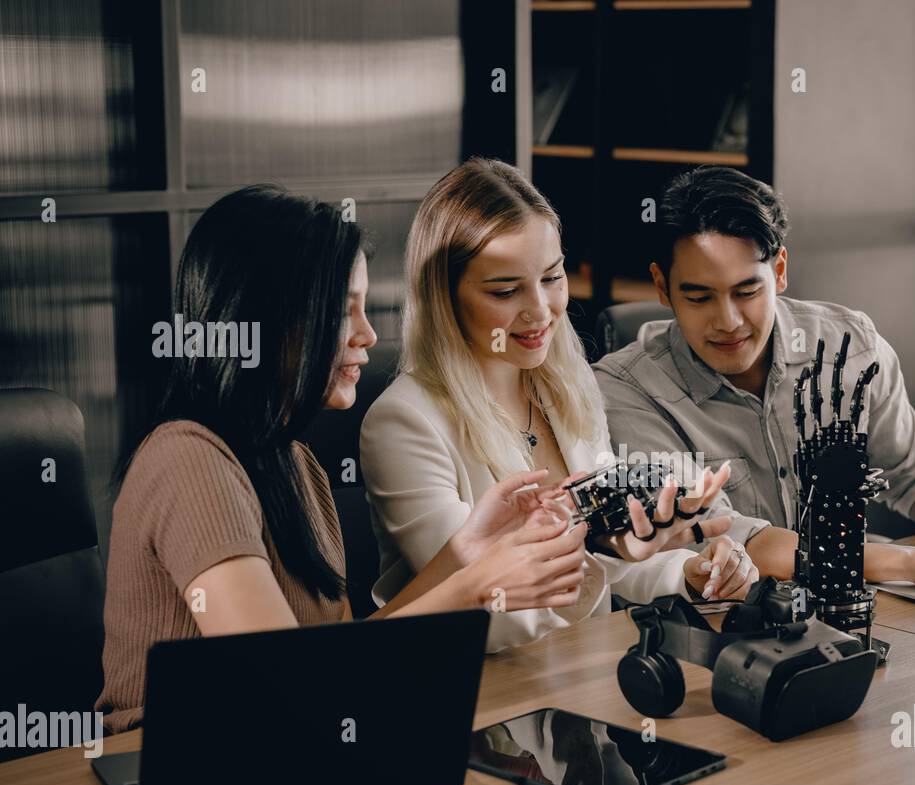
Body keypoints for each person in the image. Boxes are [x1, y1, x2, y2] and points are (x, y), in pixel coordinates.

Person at [97, 185, 586, 733]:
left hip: (286, 753)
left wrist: (462, 552)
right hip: (178, 761)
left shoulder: (296, 465)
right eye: (340, 311)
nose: (367, 335)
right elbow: (290, 682)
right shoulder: (189, 459)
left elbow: (345, 659)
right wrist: (470, 589)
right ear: (264, 318)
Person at [361, 159, 758, 652]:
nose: (540, 309)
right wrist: (598, 547)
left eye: (551, 278)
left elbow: (613, 553)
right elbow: (495, 608)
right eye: (505, 291)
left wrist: (690, 571)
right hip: (485, 699)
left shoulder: (566, 384)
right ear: (444, 296)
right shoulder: (403, 422)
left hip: (578, 679)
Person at [593, 166, 915, 588]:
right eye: (700, 297)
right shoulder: (626, 390)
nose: (728, 321)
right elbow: (733, 536)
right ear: (662, 287)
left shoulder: (851, 346)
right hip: (725, 618)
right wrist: (914, 564)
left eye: (747, 292)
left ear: (779, 271)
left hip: (855, 594)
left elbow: (913, 470)